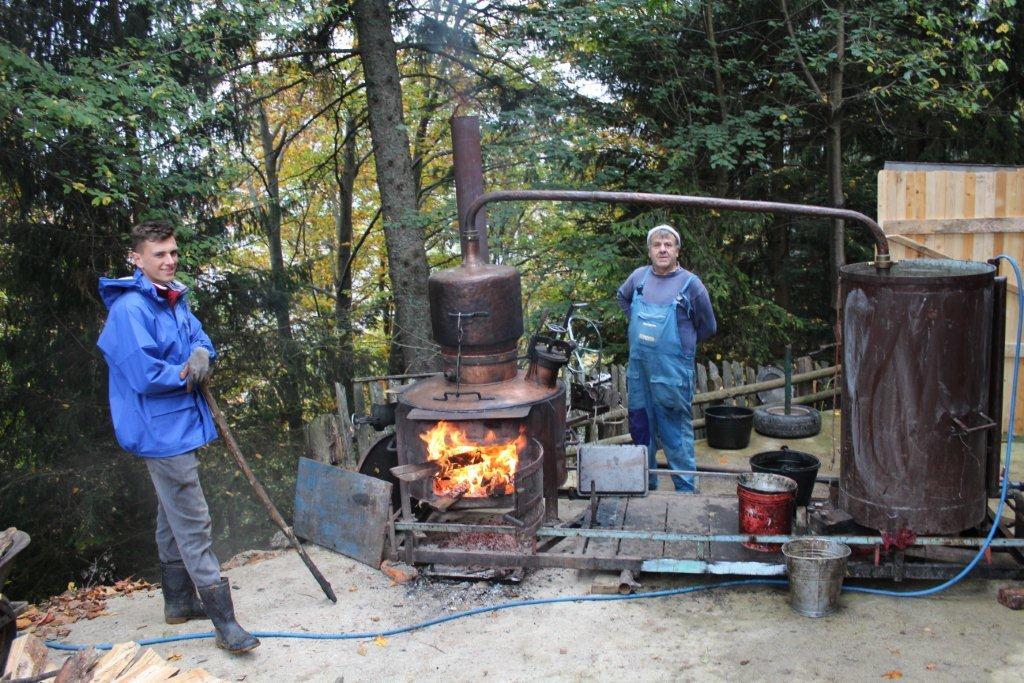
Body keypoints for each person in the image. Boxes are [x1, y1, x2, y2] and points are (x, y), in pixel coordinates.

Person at [97, 220, 259, 654]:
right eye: (159, 254)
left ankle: (179, 602)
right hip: (159, 429)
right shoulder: (131, 309)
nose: (169, 260)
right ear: (136, 258)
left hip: (180, 422)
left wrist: (204, 351)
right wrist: (188, 371)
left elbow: (198, 338)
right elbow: (144, 372)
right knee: (193, 518)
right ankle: (226, 623)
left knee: (172, 513)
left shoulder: (173, 300)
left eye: (172, 252)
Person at [617, 224, 717, 492]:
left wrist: (685, 344)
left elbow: (708, 327)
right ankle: (644, 483)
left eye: (668, 244)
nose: (662, 249)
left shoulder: (691, 285)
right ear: (649, 251)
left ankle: (685, 491)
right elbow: (622, 298)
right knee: (641, 428)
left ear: (677, 250)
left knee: (675, 432)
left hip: (672, 373)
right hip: (640, 372)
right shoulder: (639, 278)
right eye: (657, 245)